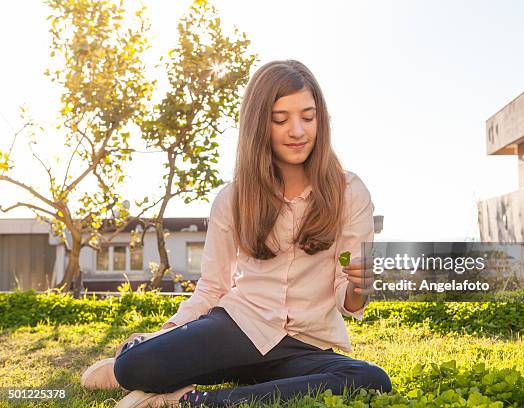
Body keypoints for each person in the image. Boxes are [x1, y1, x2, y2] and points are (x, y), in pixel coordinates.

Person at [80, 60, 391, 408]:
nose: (298, 131)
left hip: (304, 346)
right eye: (280, 119)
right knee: (134, 366)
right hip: (238, 328)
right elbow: (213, 286)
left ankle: (194, 399)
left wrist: (358, 287)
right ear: (260, 124)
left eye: (308, 116)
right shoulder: (233, 199)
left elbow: (346, 291)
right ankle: (143, 355)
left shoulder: (350, 193)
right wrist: (168, 331)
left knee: (371, 380)